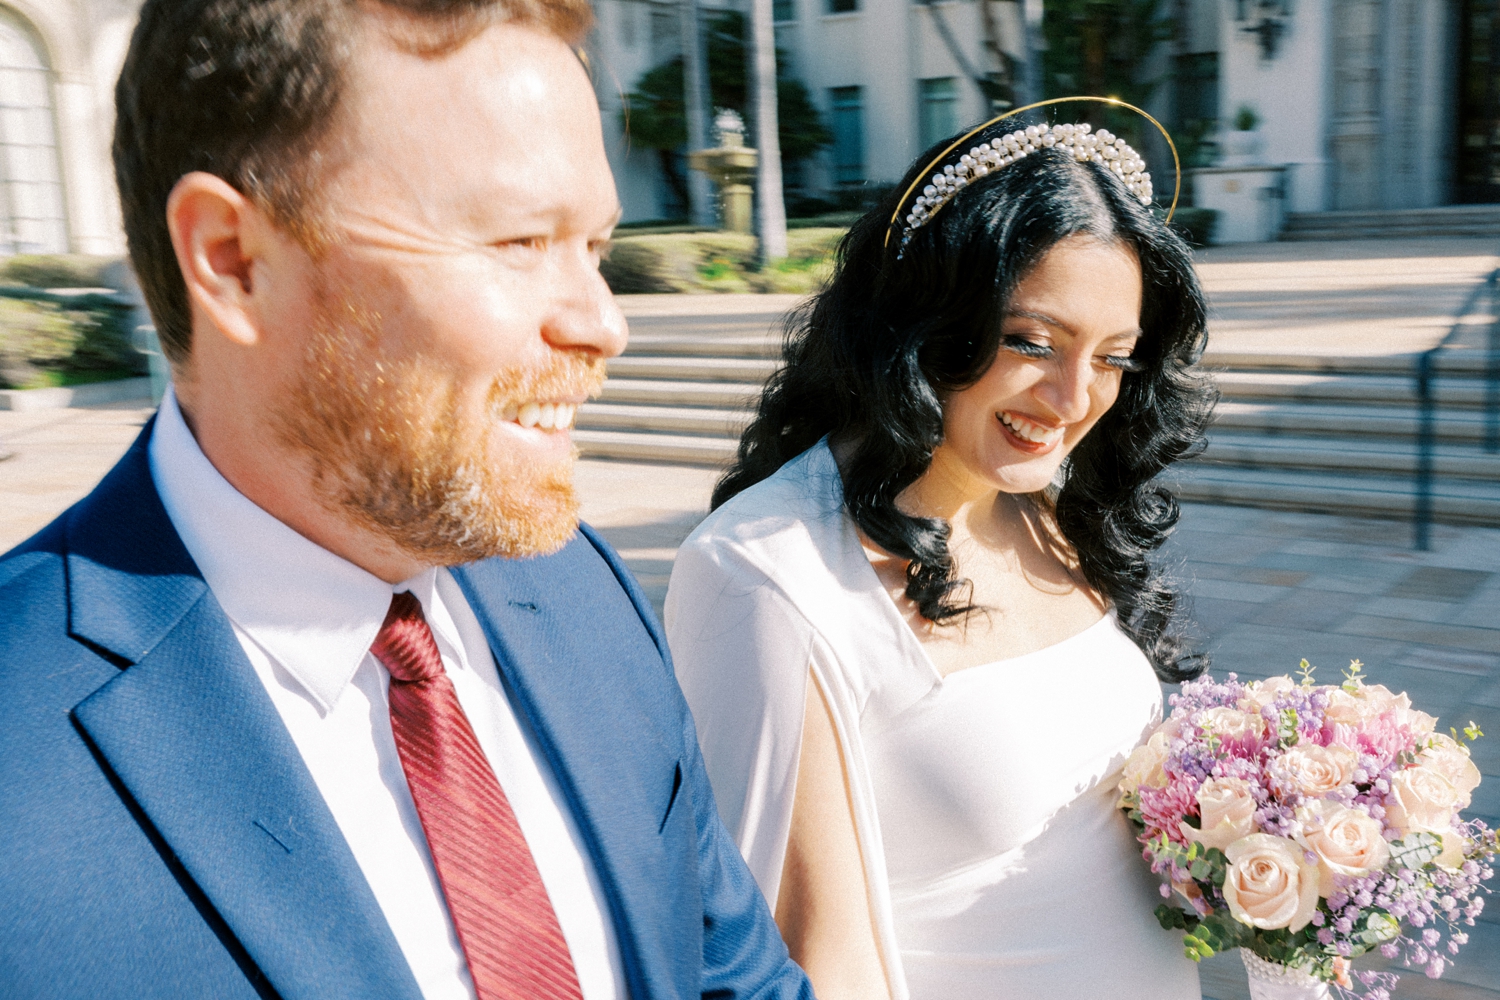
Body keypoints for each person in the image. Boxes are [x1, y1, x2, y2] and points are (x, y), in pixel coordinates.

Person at [0, 2, 813, 999]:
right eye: (520, 241)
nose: (603, 324)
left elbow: (738, 977)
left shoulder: (579, 588)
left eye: (596, 245)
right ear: (232, 259)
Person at [665, 115, 1218, 1000]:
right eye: (1033, 341)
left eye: (1112, 359)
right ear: (926, 316)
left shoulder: (1043, 499)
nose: (1074, 400)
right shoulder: (769, 575)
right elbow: (805, 959)